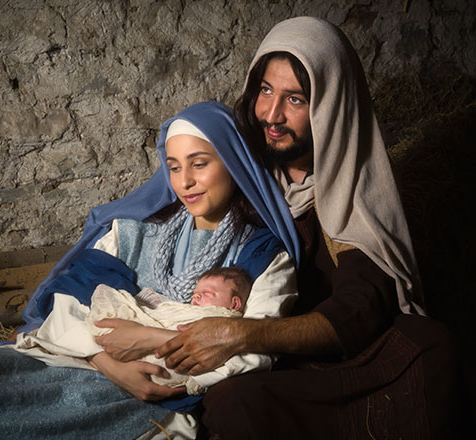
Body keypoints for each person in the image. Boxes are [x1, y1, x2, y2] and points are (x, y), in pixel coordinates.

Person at [147, 17, 467, 439]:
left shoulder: (349, 193)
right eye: (265, 90)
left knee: (435, 356)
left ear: (329, 106)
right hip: (245, 332)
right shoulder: (240, 162)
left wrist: (242, 334)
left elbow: (360, 309)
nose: (272, 115)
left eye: (295, 99)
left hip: (319, 345)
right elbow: (156, 212)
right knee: (228, 402)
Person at [0, 101, 299, 440]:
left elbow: (255, 345)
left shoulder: (259, 253)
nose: (185, 182)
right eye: (174, 167)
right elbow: (71, 302)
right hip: (82, 359)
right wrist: (107, 362)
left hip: (149, 392)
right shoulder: (135, 231)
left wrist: (150, 340)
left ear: (234, 163)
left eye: (199, 163)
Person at [13, 267, 253, 396]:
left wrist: (147, 331)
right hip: (119, 354)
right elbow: (167, 312)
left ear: (234, 304)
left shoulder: (226, 323)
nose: (198, 296)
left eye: (209, 293)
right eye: (196, 293)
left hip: (160, 366)